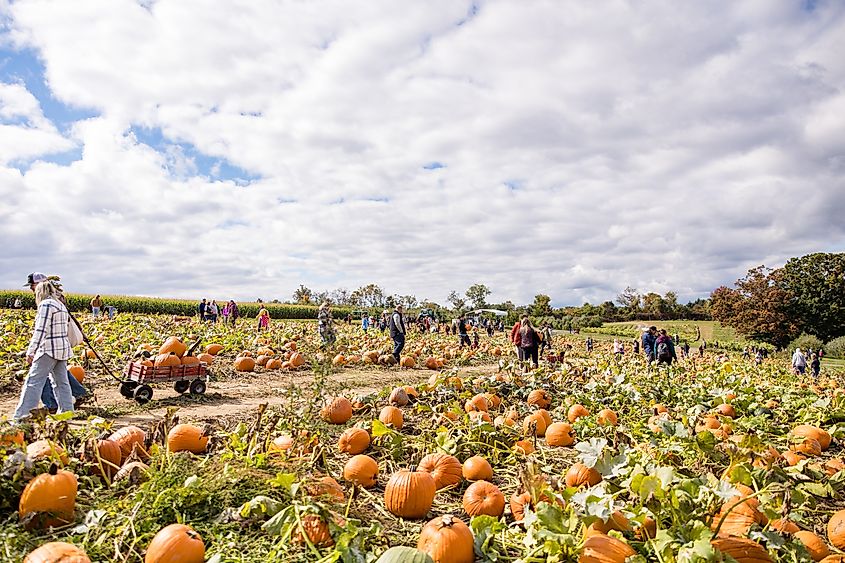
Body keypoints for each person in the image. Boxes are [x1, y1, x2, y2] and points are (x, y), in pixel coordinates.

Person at [24, 273, 89, 412]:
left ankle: (41, 407)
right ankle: (70, 404)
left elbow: (42, 329)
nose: (31, 289)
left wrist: (32, 350)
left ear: (41, 284)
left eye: (32, 285)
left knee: (36, 380)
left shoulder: (48, 302)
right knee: (60, 378)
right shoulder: (56, 298)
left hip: (49, 346)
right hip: (59, 345)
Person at [14, 280, 75, 420]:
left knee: (33, 381)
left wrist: (31, 351)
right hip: (62, 348)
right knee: (61, 382)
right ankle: (67, 413)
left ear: (40, 292)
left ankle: (23, 415)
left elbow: (41, 330)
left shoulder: (46, 305)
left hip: (49, 349)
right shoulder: (60, 305)